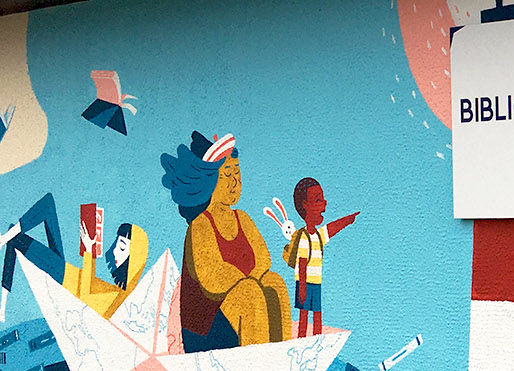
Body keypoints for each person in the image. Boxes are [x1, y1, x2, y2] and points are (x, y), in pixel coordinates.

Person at [161, 131, 290, 349]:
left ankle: (282, 353)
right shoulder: (200, 225)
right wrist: (247, 282)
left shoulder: (242, 218)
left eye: (237, 172)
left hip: (240, 304)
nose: (234, 182)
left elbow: (263, 259)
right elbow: (212, 279)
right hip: (206, 327)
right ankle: (255, 360)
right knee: (249, 293)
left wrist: (252, 280)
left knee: (274, 283)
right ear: (210, 181)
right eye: (227, 174)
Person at [0, 194, 148, 321]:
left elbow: (85, 294)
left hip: (63, 277)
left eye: (121, 247)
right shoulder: (121, 294)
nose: (115, 251)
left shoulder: (119, 301)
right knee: (46, 207)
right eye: (117, 244)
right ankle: (3, 300)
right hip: (67, 271)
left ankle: (3, 298)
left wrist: (89, 251)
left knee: (16, 234)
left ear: (134, 260)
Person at [283, 177, 358, 337]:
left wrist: (347, 220)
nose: (324, 203)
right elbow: (302, 263)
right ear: (305, 205)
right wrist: (302, 290)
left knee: (317, 313)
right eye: (318, 199)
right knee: (304, 314)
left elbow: (331, 228)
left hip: (316, 282)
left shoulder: (318, 235)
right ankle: (302, 339)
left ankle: (317, 338)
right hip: (304, 284)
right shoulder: (304, 237)